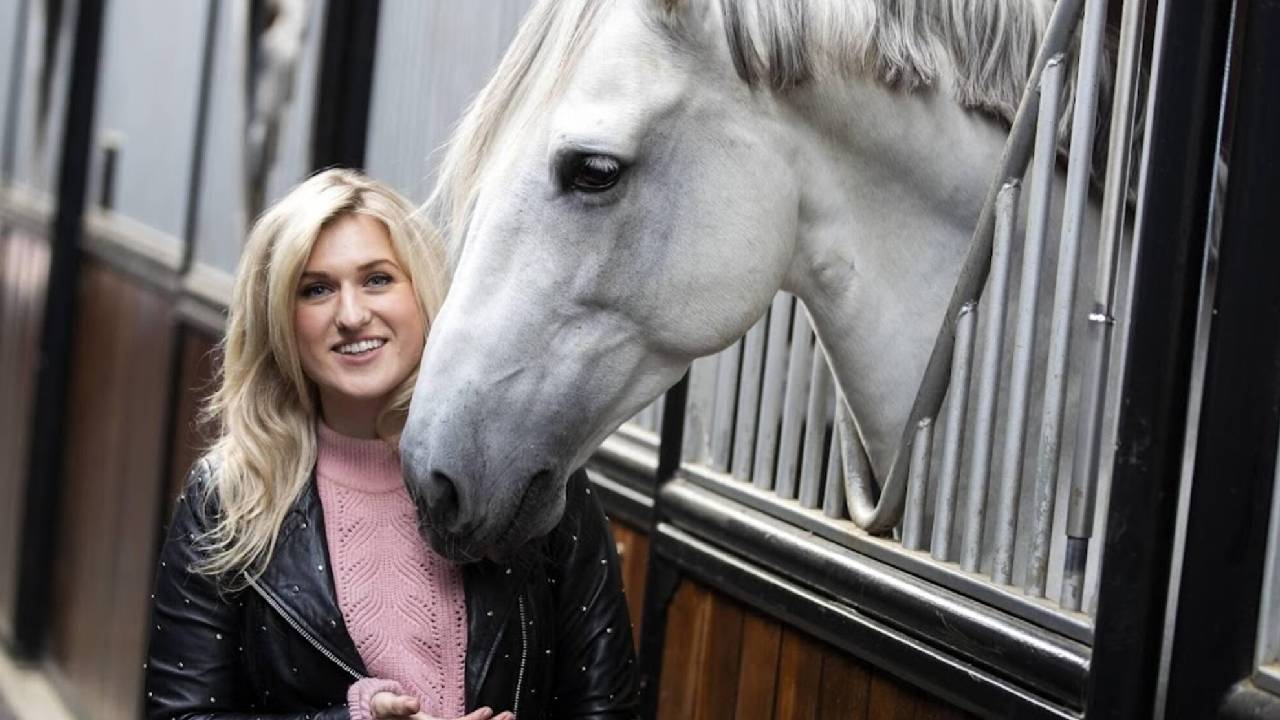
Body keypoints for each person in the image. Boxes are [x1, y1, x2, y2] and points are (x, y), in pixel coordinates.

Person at [145, 169, 638, 720]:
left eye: (377, 279)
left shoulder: (531, 474)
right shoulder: (230, 494)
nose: (352, 316)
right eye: (316, 289)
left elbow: (608, 708)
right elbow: (180, 714)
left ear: (423, 293)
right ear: (280, 319)